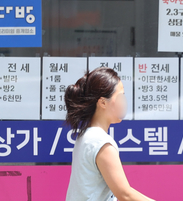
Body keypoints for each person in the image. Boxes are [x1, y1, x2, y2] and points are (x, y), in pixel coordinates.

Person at [64, 67, 155, 201]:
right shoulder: (101, 142)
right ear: (102, 102)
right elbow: (125, 194)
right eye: (120, 96)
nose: (124, 101)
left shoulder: (86, 136)